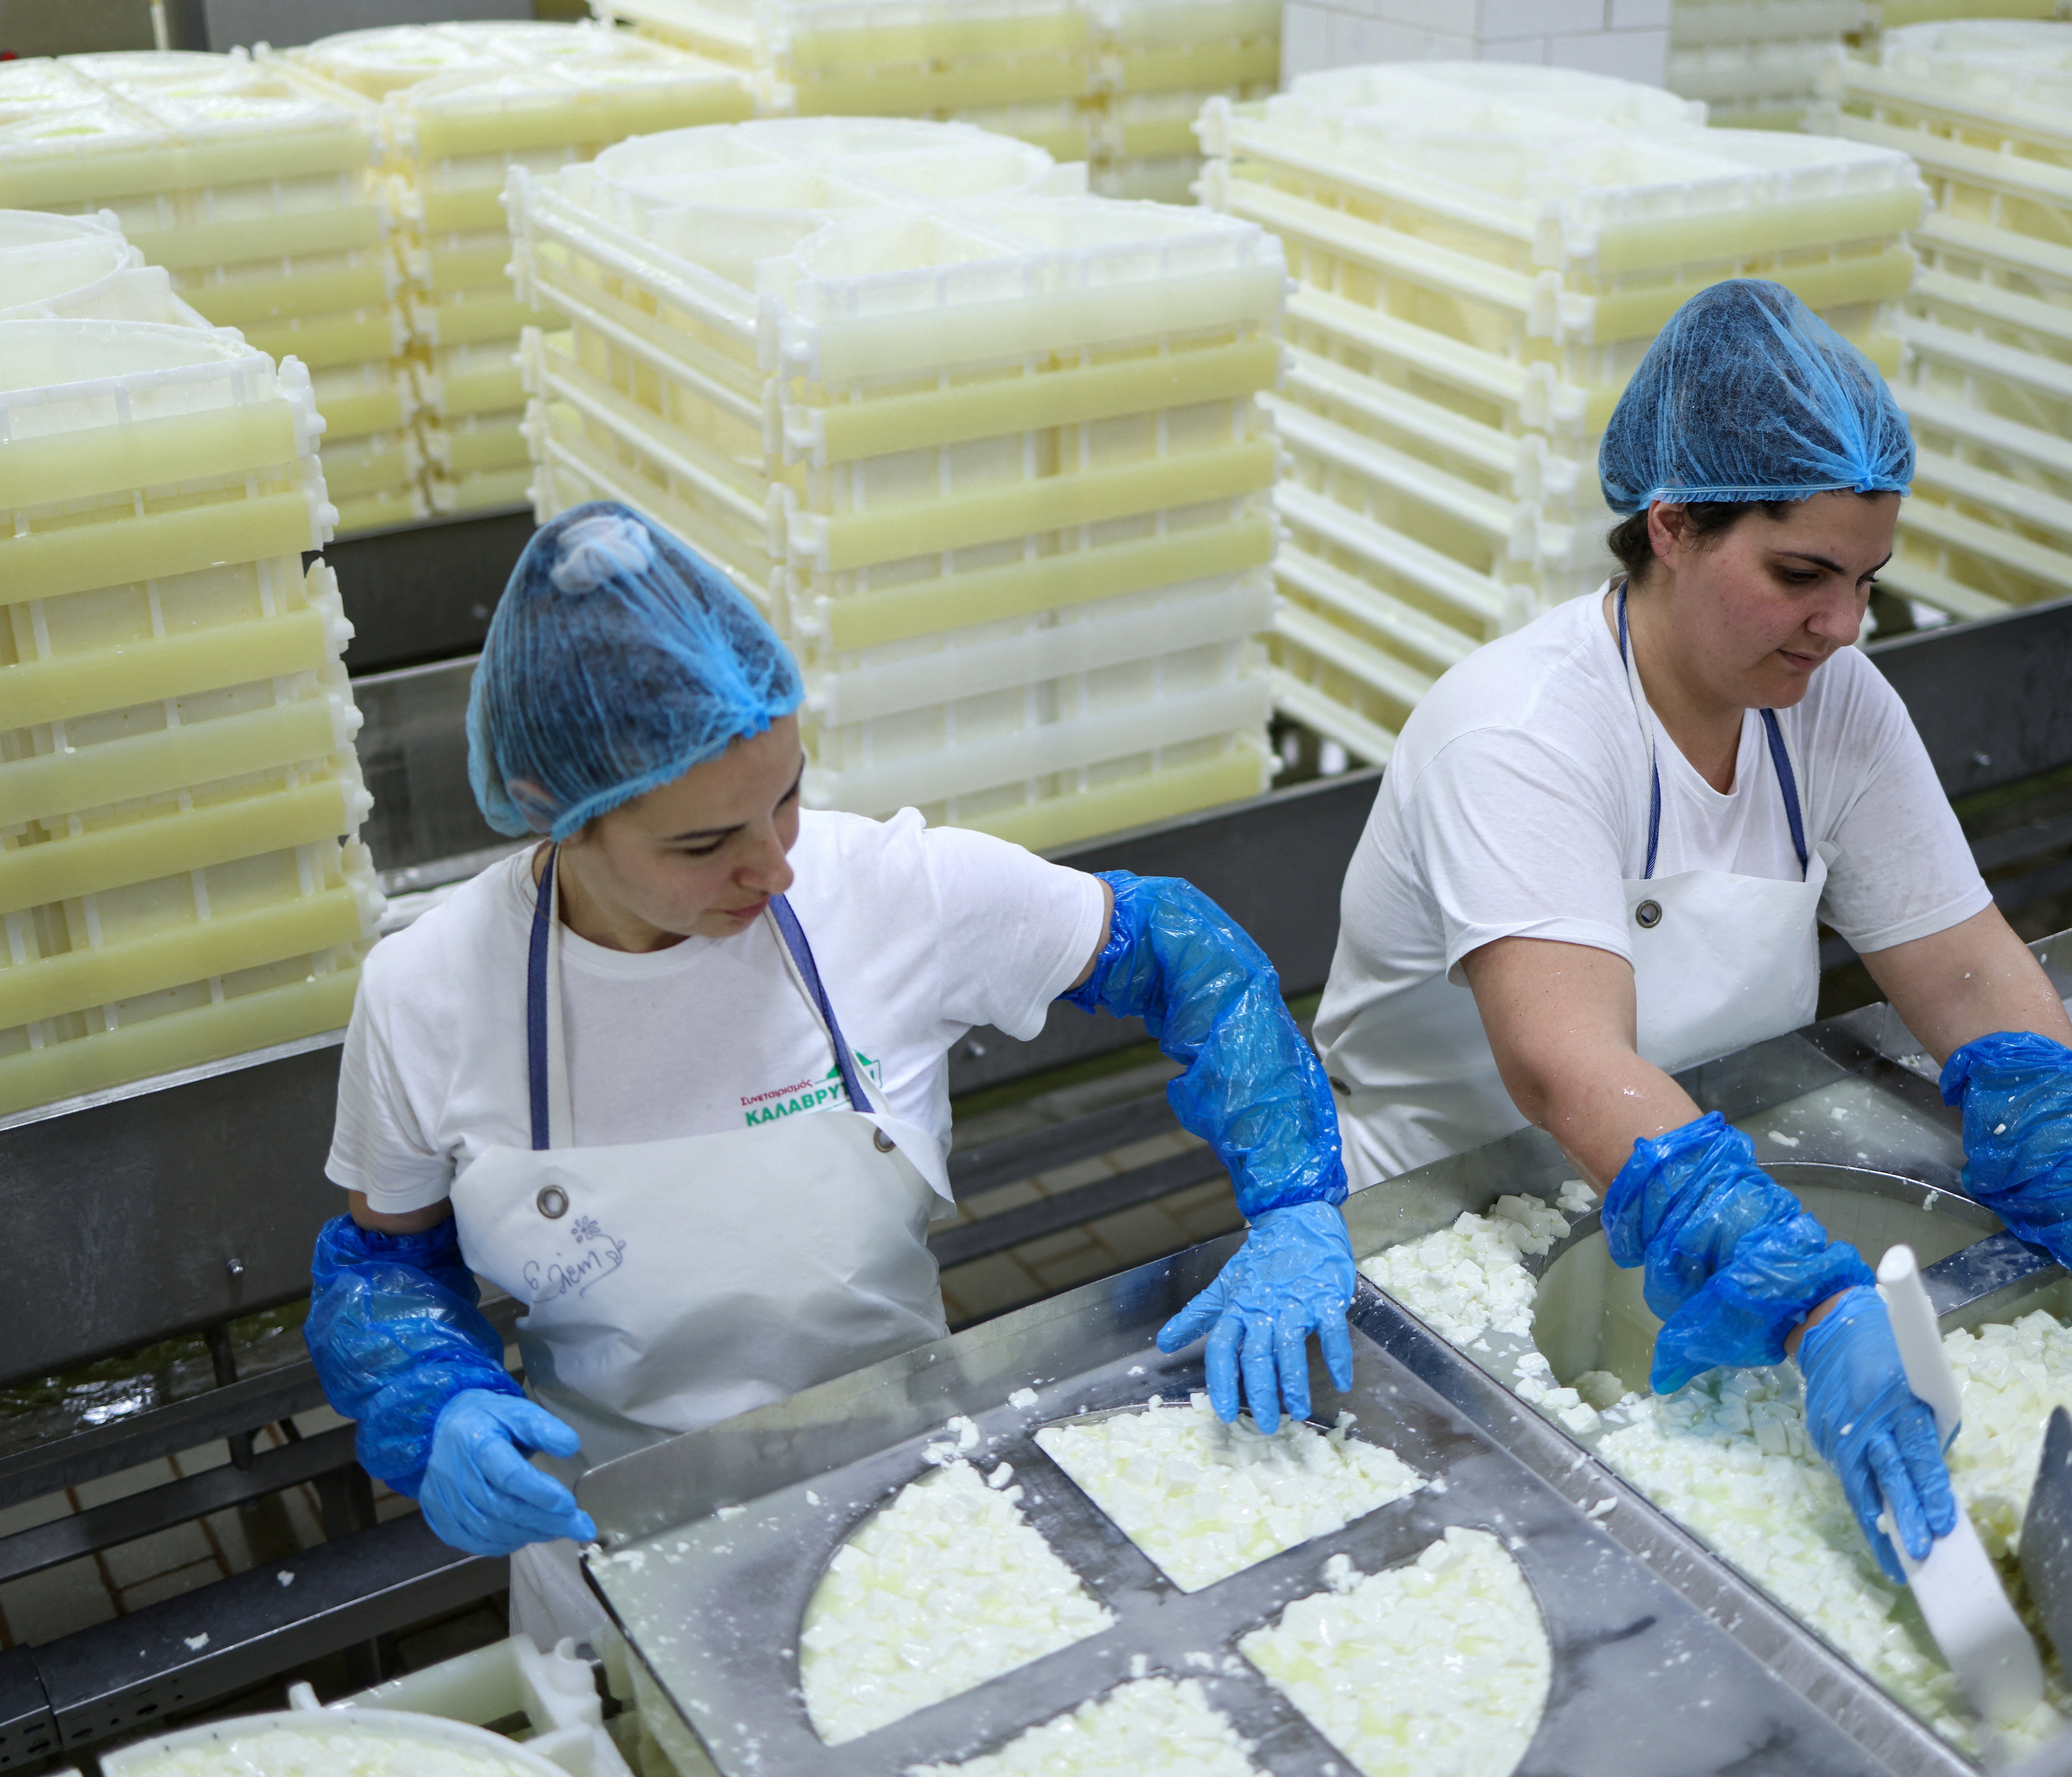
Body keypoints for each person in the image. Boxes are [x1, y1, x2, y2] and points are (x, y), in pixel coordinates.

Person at [1313, 280, 2072, 1579]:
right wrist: (1802, 1295)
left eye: (1866, 581)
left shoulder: (1835, 704)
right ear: (1674, 526)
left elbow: (1964, 966)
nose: (1842, 625)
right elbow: (1562, 1063)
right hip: (1442, 1215)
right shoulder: (1520, 734)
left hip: (1707, 1173)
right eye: (1800, 576)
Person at [303, 501, 1355, 1635]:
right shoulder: (427, 996)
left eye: (788, 796)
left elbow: (1179, 953)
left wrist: (1295, 1205)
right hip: (616, 1532)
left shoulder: (889, 893)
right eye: (704, 844)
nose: (774, 865)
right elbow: (385, 1267)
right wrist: (436, 1397)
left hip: (915, 1488)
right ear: (554, 817)